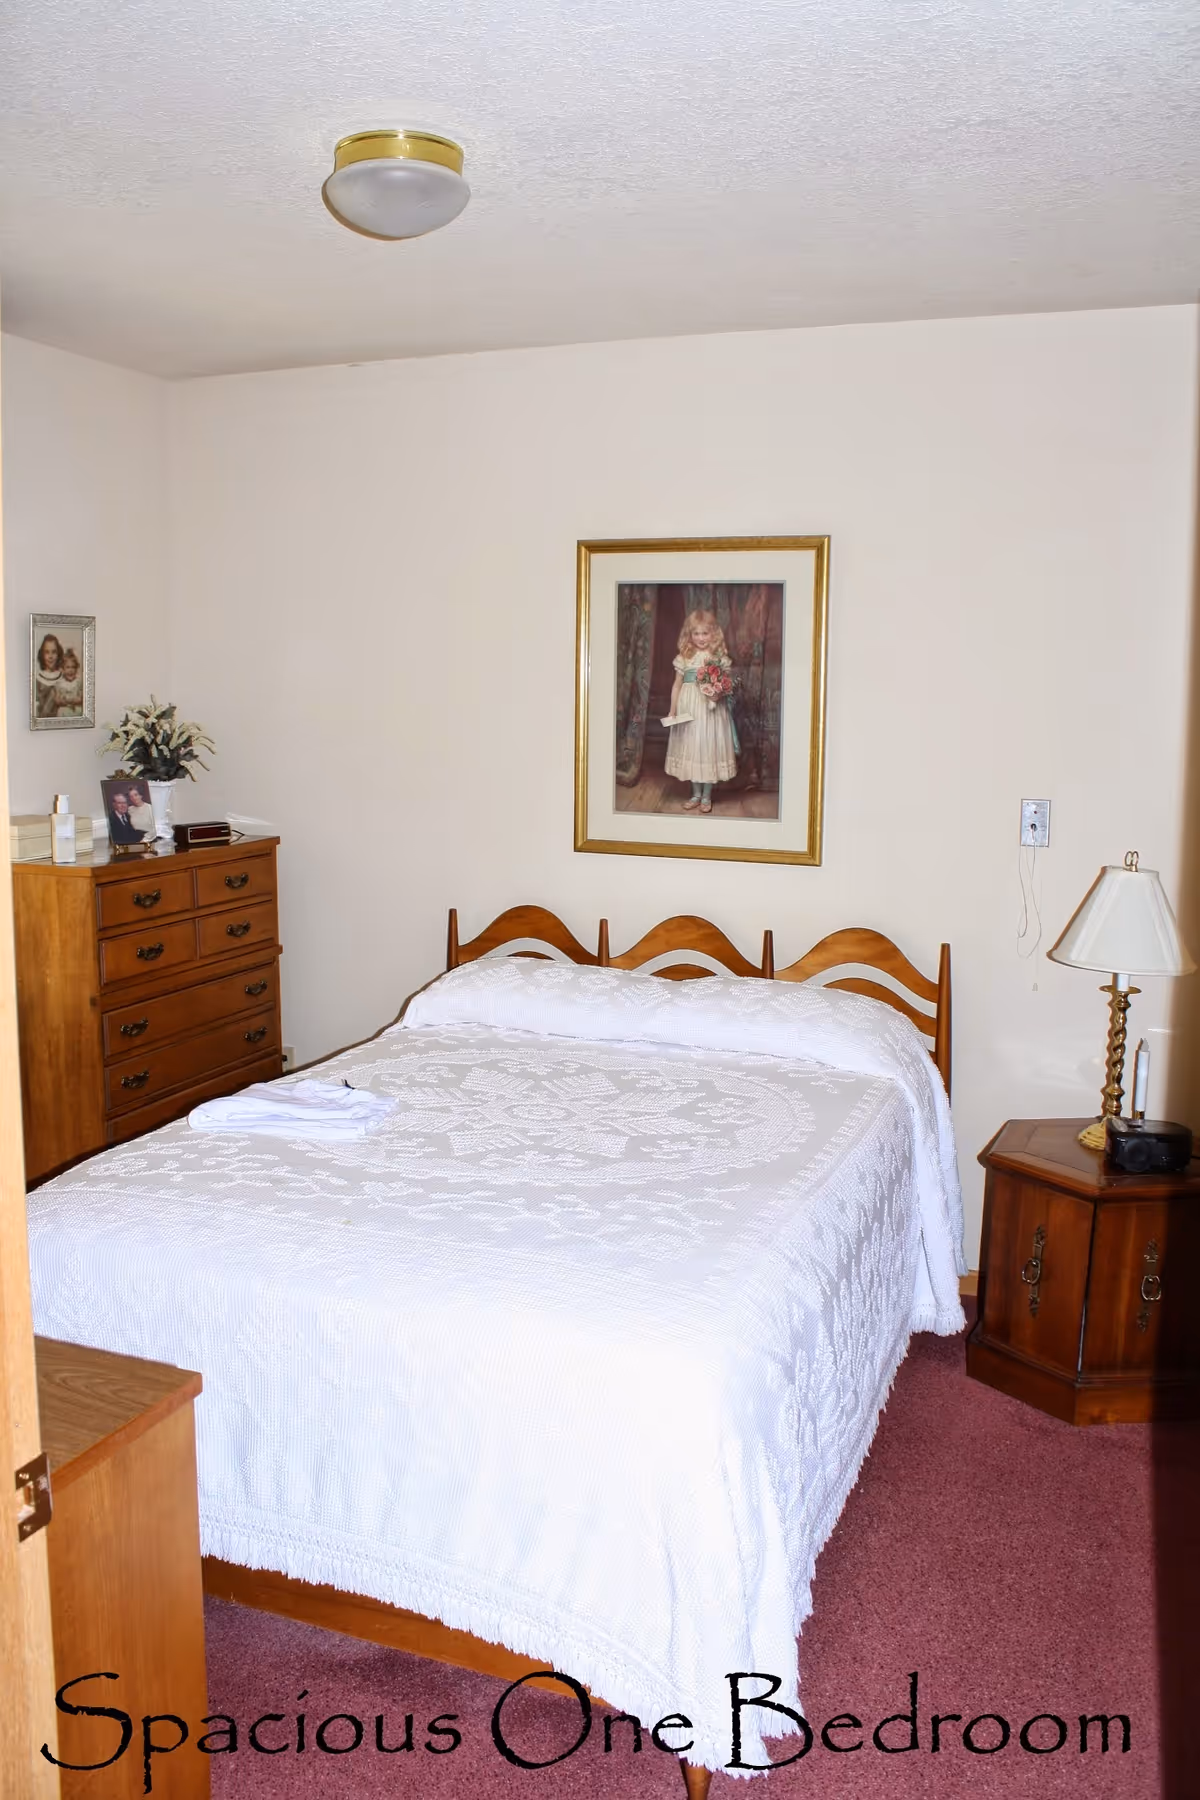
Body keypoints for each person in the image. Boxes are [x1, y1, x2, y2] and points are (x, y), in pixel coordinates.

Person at [661, 609, 737, 812]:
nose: (701, 638)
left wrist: (717, 694)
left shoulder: (718, 657)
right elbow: (677, 686)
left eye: (705, 633)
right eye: (696, 633)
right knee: (692, 746)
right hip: (689, 708)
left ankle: (706, 795)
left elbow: (726, 685)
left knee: (708, 746)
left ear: (714, 633)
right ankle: (695, 793)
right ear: (689, 634)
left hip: (710, 708)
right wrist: (672, 710)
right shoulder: (684, 657)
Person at [33, 633, 65, 719]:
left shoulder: (63, 676)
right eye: (47, 652)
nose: (50, 656)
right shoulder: (38, 678)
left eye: (54, 652)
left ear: (58, 653)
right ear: (42, 655)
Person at [54, 646, 83, 717]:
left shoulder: (78, 682)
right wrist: (62, 701)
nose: (70, 670)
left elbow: (81, 698)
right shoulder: (59, 683)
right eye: (68, 667)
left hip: (76, 710)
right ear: (62, 669)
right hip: (64, 710)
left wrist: (73, 701)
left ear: (76, 668)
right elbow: (57, 700)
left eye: (73, 667)